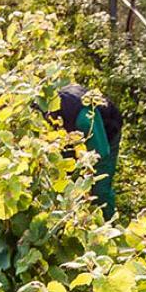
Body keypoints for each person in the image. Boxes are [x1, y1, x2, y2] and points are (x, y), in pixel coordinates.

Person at [52, 82, 123, 215]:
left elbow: (100, 152)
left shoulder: (84, 118)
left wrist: (85, 179)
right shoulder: (45, 112)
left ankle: (107, 223)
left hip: (106, 134)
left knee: (99, 188)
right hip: (75, 134)